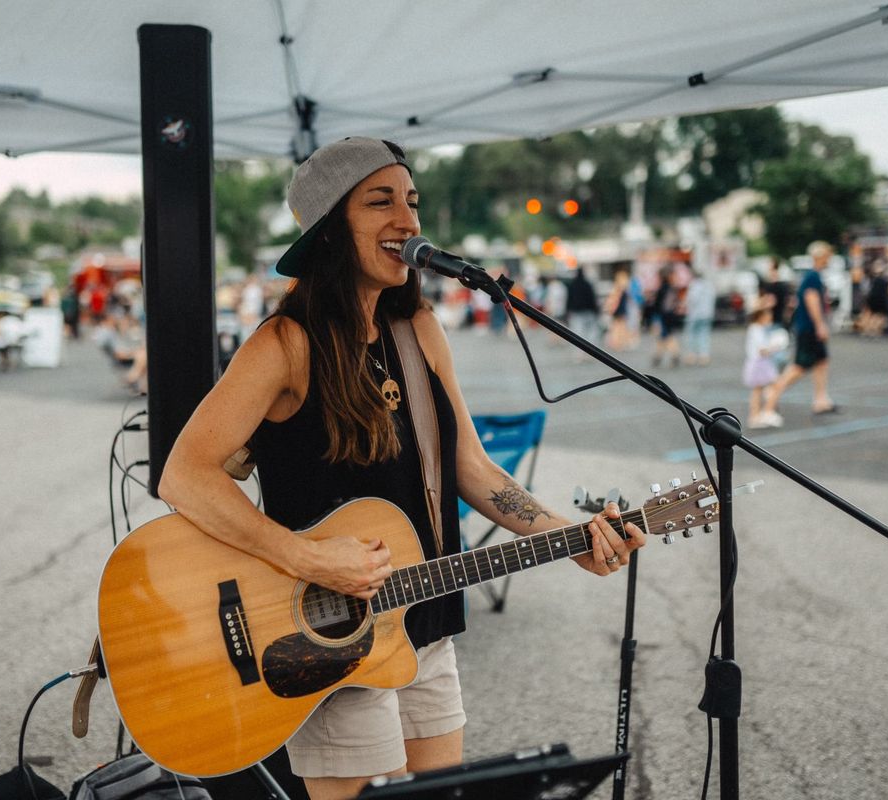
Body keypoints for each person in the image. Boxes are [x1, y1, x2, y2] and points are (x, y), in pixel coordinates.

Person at [157, 137, 646, 800]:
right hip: (327, 638)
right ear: (330, 228)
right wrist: (306, 558)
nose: (408, 221)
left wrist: (566, 536)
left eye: (412, 202)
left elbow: (469, 465)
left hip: (426, 625)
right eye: (380, 201)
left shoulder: (418, 331)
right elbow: (184, 474)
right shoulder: (285, 344)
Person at [761, 241, 838, 419]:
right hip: (808, 329)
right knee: (799, 367)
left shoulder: (812, 276)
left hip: (808, 327)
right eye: (827, 255)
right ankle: (771, 397)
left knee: (822, 361)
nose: (829, 258)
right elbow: (811, 300)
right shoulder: (813, 277)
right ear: (819, 256)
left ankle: (821, 400)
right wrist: (820, 325)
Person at [743, 306, 783, 428]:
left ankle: (762, 413)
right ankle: (758, 415)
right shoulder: (756, 329)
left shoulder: (756, 328)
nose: (770, 318)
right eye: (768, 315)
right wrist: (776, 346)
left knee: (762, 389)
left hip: (760, 363)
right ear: (761, 317)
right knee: (760, 389)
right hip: (759, 364)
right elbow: (762, 350)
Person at [682, 270, 716, 366]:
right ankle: (704, 356)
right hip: (707, 314)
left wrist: (684, 305)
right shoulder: (709, 285)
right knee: (704, 335)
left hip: (695, 315)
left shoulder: (694, 285)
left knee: (692, 335)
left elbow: (692, 299)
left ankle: (691, 355)